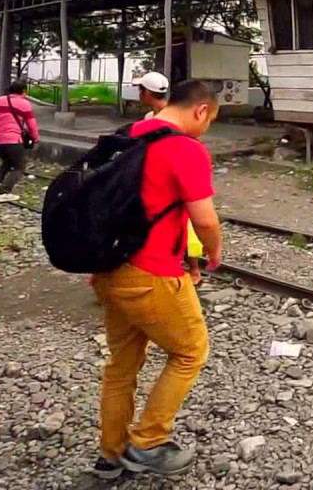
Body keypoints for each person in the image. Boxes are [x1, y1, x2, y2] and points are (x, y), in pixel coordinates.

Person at [91, 79, 223, 479]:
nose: (207, 128)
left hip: (109, 269)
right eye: (210, 120)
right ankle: (148, 442)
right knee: (190, 352)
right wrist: (214, 250)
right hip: (152, 274)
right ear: (201, 110)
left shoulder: (125, 137)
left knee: (122, 366)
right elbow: (203, 218)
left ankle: (111, 457)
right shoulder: (184, 148)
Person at [131, 70, 203, 285]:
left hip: (169, 178)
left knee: (181, 224)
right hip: (172, 176)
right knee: (182, 223)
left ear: (146, 93)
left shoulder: (156, 120)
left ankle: (193, 269)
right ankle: (191, 269)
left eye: (140, 90)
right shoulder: (167, 116)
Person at [0, 81, 40, 203]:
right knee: (19, 167)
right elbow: (32, 124)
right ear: (24, 91)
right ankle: (3, 192)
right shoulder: (24, 104)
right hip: (12, 140)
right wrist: (36, 139)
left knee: (8, 160)